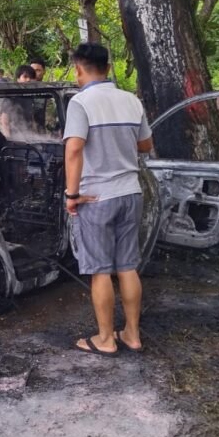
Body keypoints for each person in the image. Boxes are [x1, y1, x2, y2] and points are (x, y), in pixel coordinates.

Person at [63, 43, 153, 356]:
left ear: (79, 68)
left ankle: (105, 339)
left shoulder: (81, 102)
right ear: (107, 66)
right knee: (128, 265)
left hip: (95, 196)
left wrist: (71, 195)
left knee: (100, 270)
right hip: (131, 193)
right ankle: (132, 334)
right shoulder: (131, 101)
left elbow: (74, 149)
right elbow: (145, 145)